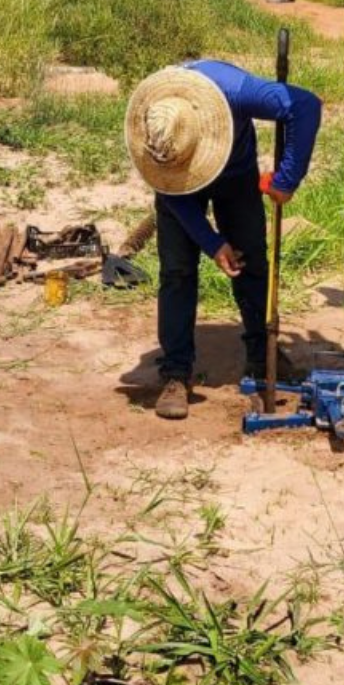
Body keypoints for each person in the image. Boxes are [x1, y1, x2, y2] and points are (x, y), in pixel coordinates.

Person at [125, 60, 322, 420]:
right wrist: (212, 243)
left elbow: (305, 105)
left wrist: (286, 181)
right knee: (177, 271)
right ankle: (176, 373)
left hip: (236, 174)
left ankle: (263, 355)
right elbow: (171, 194)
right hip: (177, 187)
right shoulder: (155, 127)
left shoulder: (237, 91)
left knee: (253, 262)